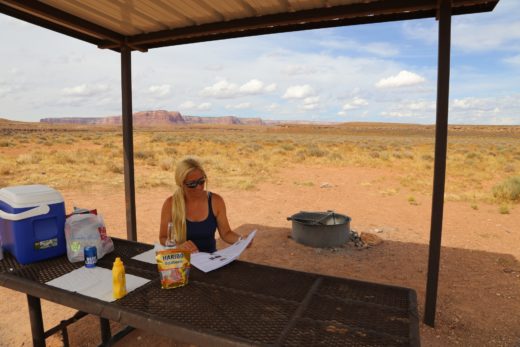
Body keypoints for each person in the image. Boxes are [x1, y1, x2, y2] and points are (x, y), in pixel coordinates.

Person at [159, 156, 249, 253]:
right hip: (183, 260)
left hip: (210, 260)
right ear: (181, 184)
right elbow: (163, 237)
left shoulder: (216, 201)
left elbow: (226, 233)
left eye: (201, 181)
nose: (199, 187)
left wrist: (242, 240)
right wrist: (178, 246)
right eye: (192, 184)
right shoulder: (170, 204)